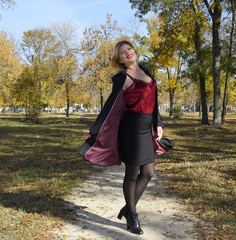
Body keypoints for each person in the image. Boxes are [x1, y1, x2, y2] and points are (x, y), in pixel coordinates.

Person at [79, 40, 173, 235]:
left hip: (147, 127)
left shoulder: (146, 70)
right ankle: (132, 216)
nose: (128, 53)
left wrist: (159, 123)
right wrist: (95, 130)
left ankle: (127, 208)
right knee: (132, 173)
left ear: (134, 51)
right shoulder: (123, 77)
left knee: (148, 172)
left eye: (129, 49)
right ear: (119, 60)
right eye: (123, 53)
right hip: (131, 128)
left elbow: (154, 101)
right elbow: (110, 105)